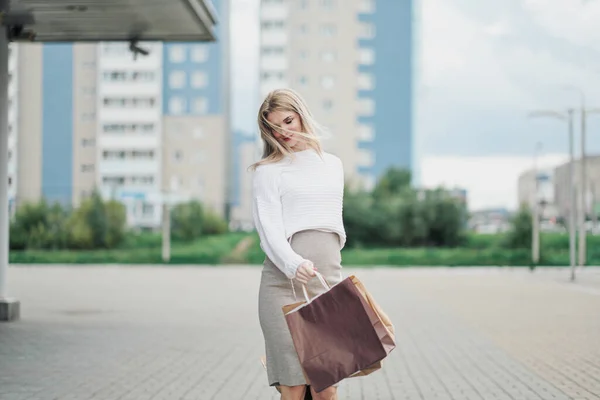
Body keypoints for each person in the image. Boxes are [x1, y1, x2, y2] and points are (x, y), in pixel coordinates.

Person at [251, 88, 346, 400]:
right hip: (282, 283)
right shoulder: (268, 171)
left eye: (288, 121)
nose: (283, 132)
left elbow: (333, 223)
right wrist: (293, 263)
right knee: (293, 387)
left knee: (326, 387)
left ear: (301, 114)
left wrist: (333, 270)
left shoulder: (333, 164)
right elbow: (269, 231)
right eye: (274, 127)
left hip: (325, 281)